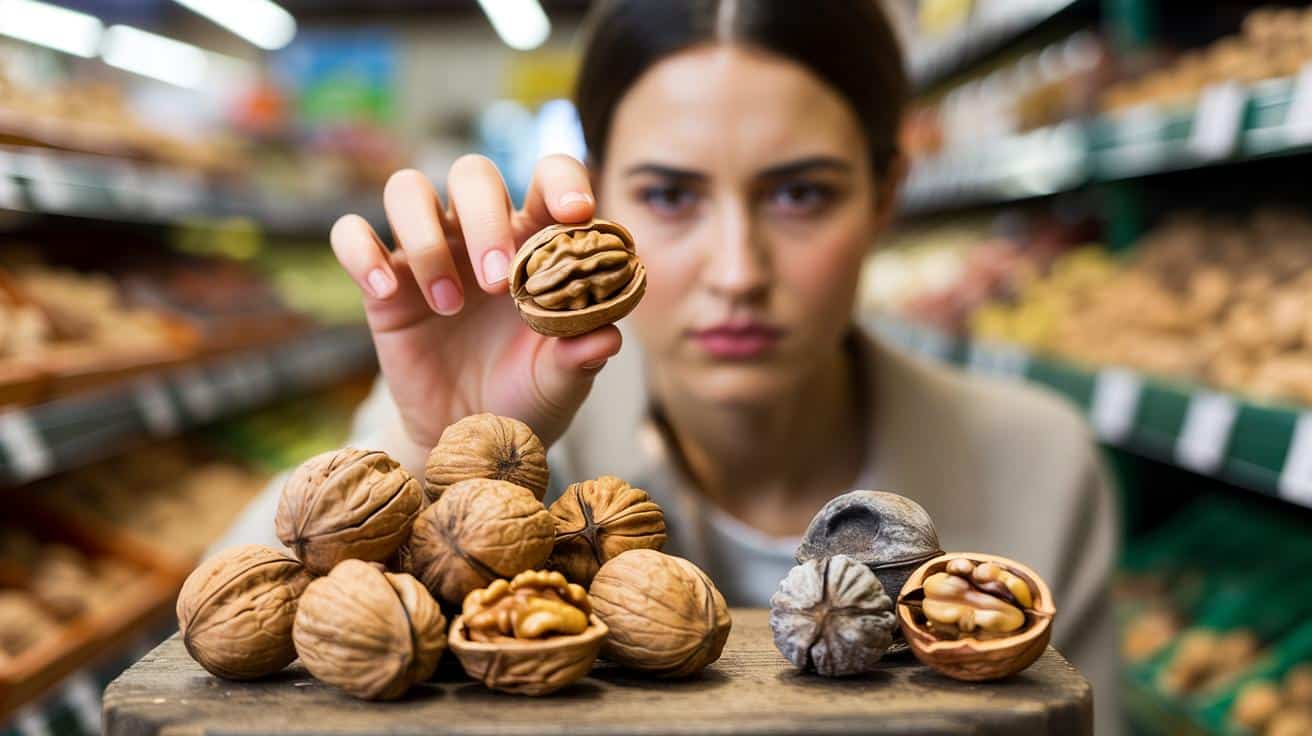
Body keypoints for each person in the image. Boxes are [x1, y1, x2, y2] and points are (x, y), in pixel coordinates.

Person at [221, 0, 1120, 730]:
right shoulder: (520, 459)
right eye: (669, 195)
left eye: (801, 193)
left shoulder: (1039, 465)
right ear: (596, 197)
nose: (737, 272)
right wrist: (427, 446)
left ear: (887, 197)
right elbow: (212, 662)